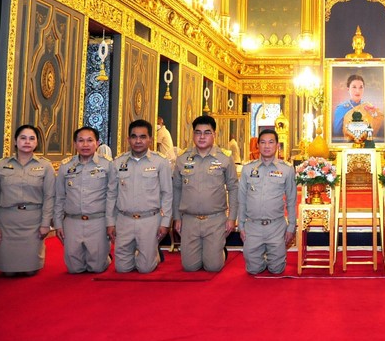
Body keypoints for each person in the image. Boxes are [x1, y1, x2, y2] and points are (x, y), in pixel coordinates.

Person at [172, 115, 239, 272]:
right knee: (189, 267)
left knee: (213, 267)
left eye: (207, 132)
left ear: (214, 135)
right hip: (189, 220)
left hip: (215, 219)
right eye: (198, 132)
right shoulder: (182, 159)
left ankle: (219, 251)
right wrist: (176, 217)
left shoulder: (225, 158)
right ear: (193, 134)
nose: (202, 137)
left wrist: (231, 218)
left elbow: (233, 188)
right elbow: (176, 189)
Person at [0, 124, 55, 276]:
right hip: (7, 222)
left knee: (30, 271)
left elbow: (49, 197)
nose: (27, 142)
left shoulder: (45, 166)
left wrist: (45, 224)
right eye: (23, 138)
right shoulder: (0, 165)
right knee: (7, 272)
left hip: (33, 222)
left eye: (32, 138)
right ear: (15, 141)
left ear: (37, 143)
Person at [106, 119, 173, 273]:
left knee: (145, 268)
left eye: (143, 137)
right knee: (122, 268)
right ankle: (143, 253)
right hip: (124, 220)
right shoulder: (117, 163)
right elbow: (111, 195)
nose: (138, 141)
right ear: (128, 139)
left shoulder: (160, 162)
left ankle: (153, 254)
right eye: (134, 137)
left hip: (149, 220)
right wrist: (110, 221)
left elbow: (167, 194)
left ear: (150, 139)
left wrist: (165, 222)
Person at [53, 126, 116, 274]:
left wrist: (111, 223)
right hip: (72, 222)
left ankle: (105, 257)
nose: (85, 145)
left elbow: (112, 196)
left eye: (90, 140)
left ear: (98, 143)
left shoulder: (107, 165)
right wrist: (57, 224)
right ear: (75, 144)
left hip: (98, 222)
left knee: (97, 268)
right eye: (81, 141)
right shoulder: (65, 166)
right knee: (74, 269)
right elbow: (59, 197)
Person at [238, 128, 296, 274]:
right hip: (253, 226)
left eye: (271, 142)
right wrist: (241, 225)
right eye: (263, 142)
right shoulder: (247, 169)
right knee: (253, 270)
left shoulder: (287, 170)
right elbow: (242, 199)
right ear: (258, 145)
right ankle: (260, 258)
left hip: (276, 226)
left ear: (277, 145)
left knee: (277, 270)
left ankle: (275, 257)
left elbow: (291, 199)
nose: (267, 146)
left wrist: (291, 226)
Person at [332, 74, 383, 139]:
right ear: (348, 89)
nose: (358, 91)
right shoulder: (341, 109)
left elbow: (378, 129)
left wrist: (374, 114)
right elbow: (337, 135)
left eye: (361, 87)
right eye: (354, 87)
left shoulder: (368, 106)